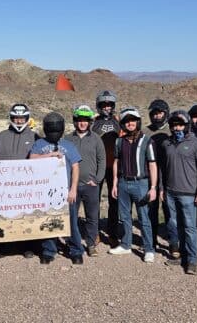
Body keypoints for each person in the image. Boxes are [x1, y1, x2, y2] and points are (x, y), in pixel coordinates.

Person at [159, 110, 197, 275]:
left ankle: (192, 260)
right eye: (173, 125)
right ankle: (182, 256)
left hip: (188, 194)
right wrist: (161, 188)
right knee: (175, 225)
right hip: (170, 193)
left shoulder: (196, 144)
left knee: (189, 227)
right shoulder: (167, 144)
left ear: (187, 126)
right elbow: (162, 169)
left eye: (180, 124)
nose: (176, 128)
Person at [29, 112, 82, 265]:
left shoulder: (68, 145)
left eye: (56, 130)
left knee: (72, 223)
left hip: (66, 192)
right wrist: (51, 155)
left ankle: (76, 250)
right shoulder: (39, 144)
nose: (53, 133)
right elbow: (32, 159)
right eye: (51, 130)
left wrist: (73, 189)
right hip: (45, 192)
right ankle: (49, 250)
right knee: (48, 221)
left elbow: (76, 168)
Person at [0, 103, 37, 260]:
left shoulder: (35, 136)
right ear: (11, 118)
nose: (19, 121)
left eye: (22, 118)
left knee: (25, 215)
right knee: (1, 216)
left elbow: (42, 158)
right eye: (16, 118)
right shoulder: (2, 136)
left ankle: (27, 247)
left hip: (25, 186)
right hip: (3, 185)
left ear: (27, 119)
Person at [108, 108, 158, 263]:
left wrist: (153, 187)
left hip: (141, 183)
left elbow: (152, 165)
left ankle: (149, 248)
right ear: (123, 124)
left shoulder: (147, 141)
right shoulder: (119, 141)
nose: (130, 123)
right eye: (127, 121)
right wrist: (115, 182)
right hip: (123, 182)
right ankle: (126, 244)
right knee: (124, 216)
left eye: (133, 120)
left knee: (144, 217)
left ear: (138, 122)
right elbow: (116, 162)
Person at [66, 105, 106, 256]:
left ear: (90, 122)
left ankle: (90, 244)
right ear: (75, 121)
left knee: (92, 217)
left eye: (85, 121)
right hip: (73, 186)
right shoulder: (68, 139)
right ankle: (73, 243)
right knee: (72, 216)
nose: (82, 123)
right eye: (79, 120)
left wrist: (97, 179)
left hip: (91, 185)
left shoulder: (96, 139)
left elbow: (102, 160)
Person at [91, 90, 122, 246]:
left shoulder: (118, 122)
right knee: (95, 201)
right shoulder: (93, 123)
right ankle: (94, 232)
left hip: (115, 167)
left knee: (114, 201)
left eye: (109, 104)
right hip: (98, 167)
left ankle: (113, 233)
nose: (107, 107)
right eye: (103, 104)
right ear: (98, 106)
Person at [145, 98, 172, 256]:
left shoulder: (172, 129)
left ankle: (173, 242)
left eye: (160, 113)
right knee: (151, 210)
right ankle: (152, 240)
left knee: (170, 210)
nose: (157, 116)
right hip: (151, 176)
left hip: (169, 176)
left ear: (166, 113)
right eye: (154, 113)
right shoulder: (146, 132)